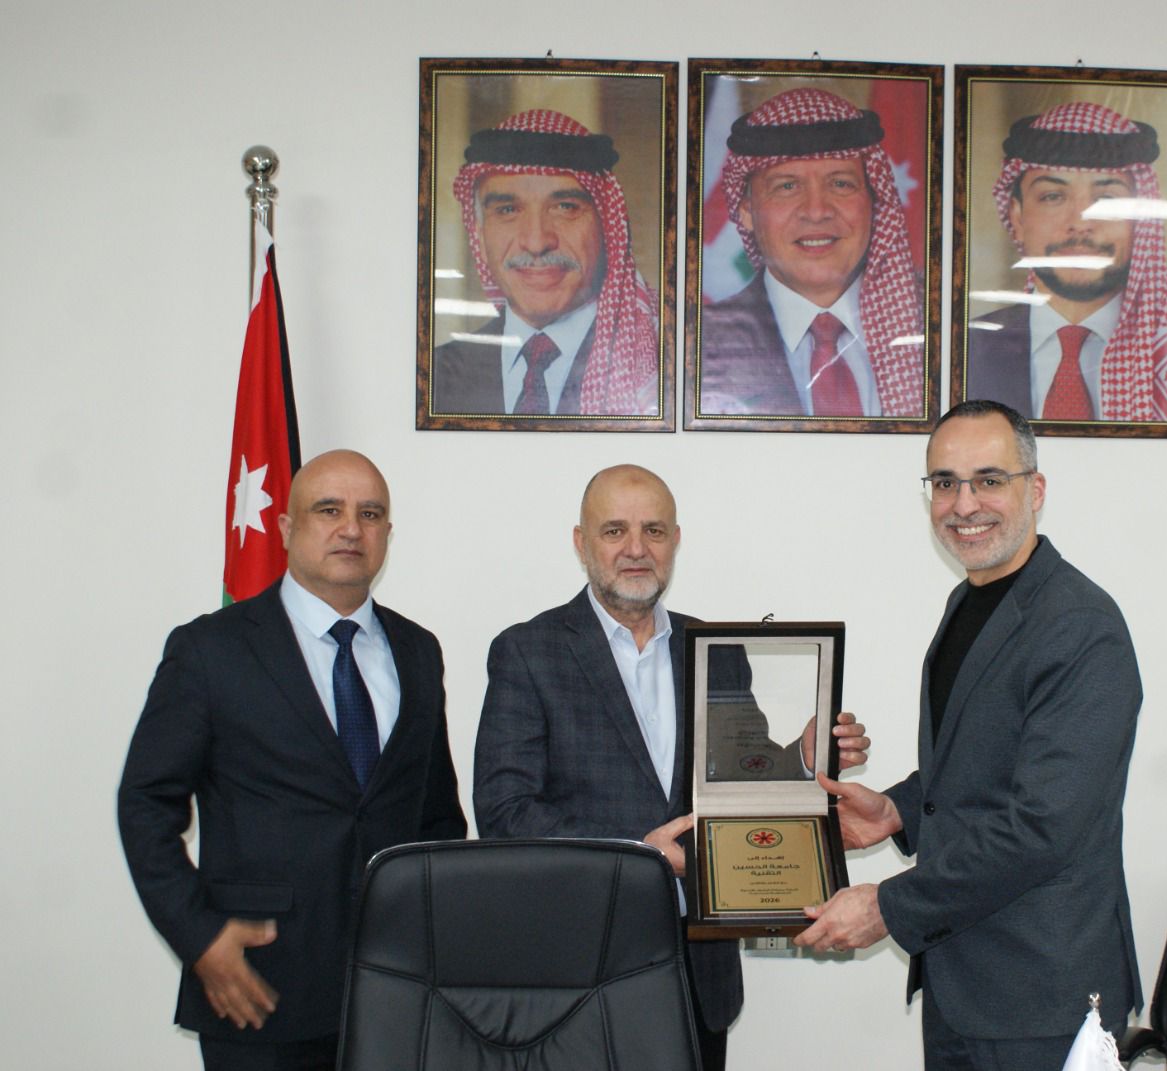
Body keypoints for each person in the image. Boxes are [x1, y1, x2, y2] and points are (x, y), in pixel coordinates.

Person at [472, 464, 868, 1071]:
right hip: (580, 969)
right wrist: (640, 853)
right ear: (581, 542)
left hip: (697, 970)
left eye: (653, 530)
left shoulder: (715, 650)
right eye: (614, 530)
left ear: (675, 541)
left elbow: (740, 780)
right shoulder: (528, 651)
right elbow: (505, 816)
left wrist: (801, 758)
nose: (636, 548)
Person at [794, 400, 1143, 1069]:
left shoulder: (1080, 626)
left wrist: (889, 906)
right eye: (945, 482)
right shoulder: (970, 600)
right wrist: (897, 809)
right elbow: (983, 763)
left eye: (989, 479)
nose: (964, 504)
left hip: (1042, 996)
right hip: (962, 981)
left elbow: (1042, 825)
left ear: (1035, 490)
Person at [117, 450, 467, 1071]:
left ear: (387, 533)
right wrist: (199, 937)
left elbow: (436, 816)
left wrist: (439, 950)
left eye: (370, 514)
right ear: (285, 527)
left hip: (401, 996)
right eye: (328, 510)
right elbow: (145, 803)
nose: (351, 528)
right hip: (258, 988)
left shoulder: (419, 651)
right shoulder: (210, 650)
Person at [698, 87, 925, 418]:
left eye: (841, 184)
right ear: (745, 211)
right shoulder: (694, 345)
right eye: (787, 186)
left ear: (874, 201)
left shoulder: (936, 330)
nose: (817, 211)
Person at [966, 101, 1167, 424]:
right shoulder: (967, 350)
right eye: (1053, 197)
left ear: (1139, 221)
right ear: (1017, 216)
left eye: (1108, 199)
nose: (1081, 223)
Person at [433, 108, 661, 417]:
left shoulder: (661, 364)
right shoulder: (437, 375)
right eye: (507, 210)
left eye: (565, 207)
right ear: (480, 236)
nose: (537, 242)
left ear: (607, 228)